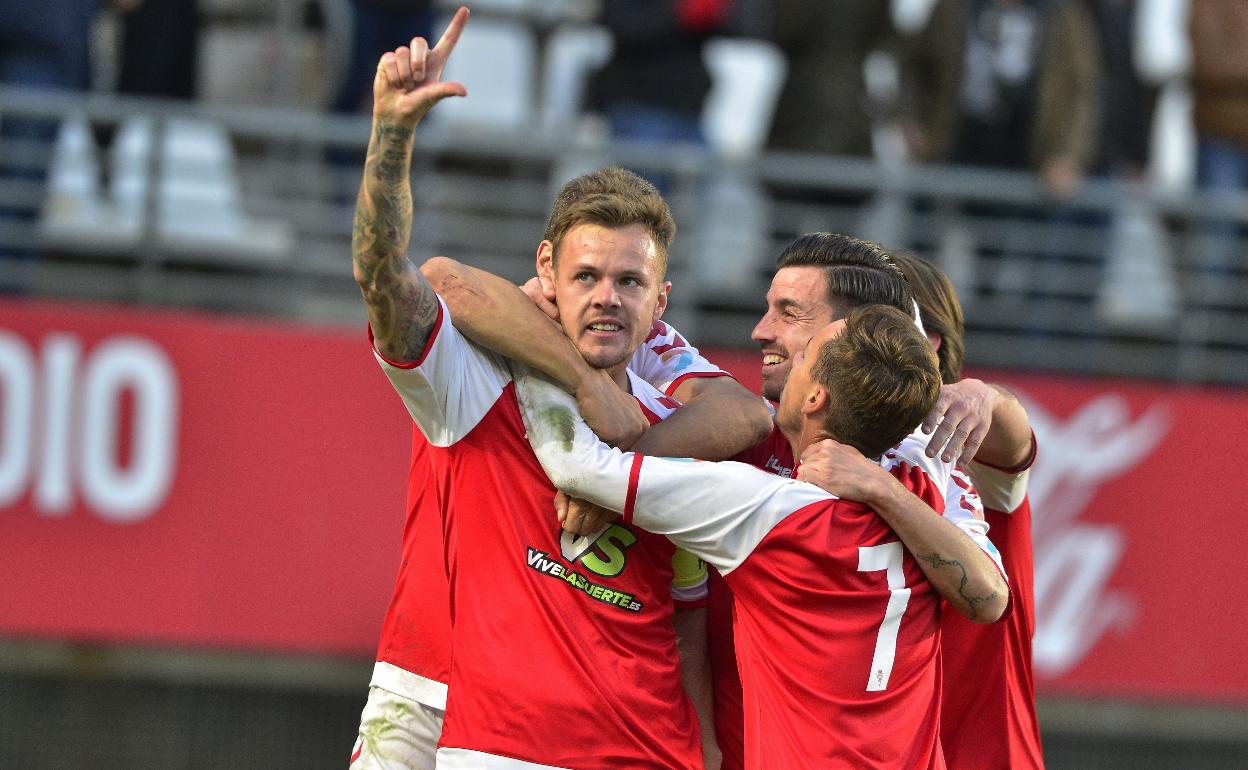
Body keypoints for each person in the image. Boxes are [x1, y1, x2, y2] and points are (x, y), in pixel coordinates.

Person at [349, 9, 771, 767]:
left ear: (662, 300)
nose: (607, 296)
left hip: (631, 740)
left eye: (629, 282)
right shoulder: (476, 369)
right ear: (546, 270)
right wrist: (391, 136)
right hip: (429, 690)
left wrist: (616, 478)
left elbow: (746, 421)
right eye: (586, 276)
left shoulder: (670, 406)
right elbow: (405, 276)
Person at [516, 303, 963, 768]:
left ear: (815, 397)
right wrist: (976, 394)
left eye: (806, 353)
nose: (791, 357)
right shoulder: (924, 480)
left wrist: (541, 354)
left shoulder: (764, 509)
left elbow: (580, 469)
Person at [894, 250, 1043, 768]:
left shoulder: (961, 449)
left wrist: (986, 397)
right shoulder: (826, 460)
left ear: (927, 340)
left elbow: (1010, 439)